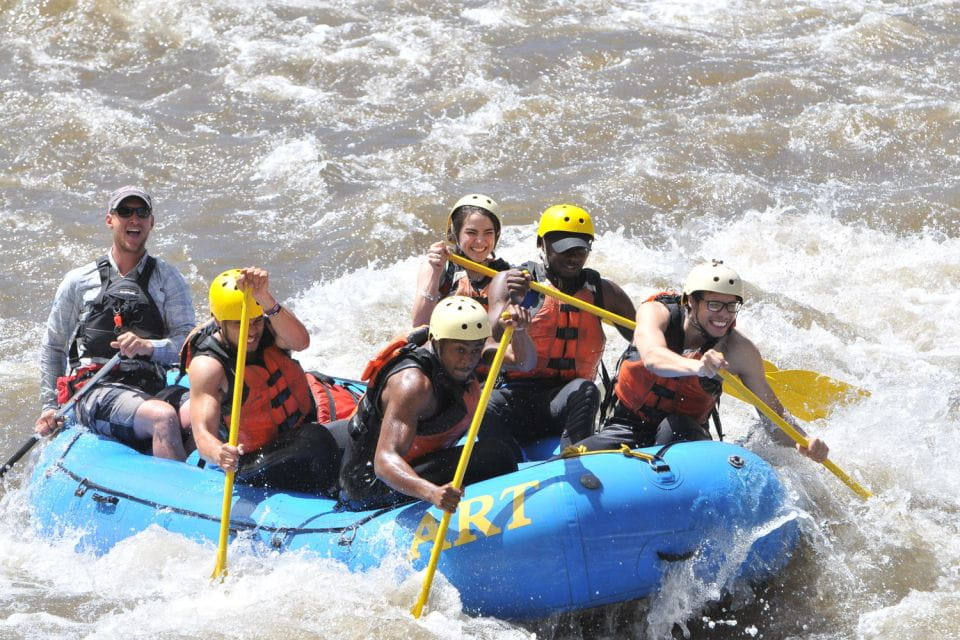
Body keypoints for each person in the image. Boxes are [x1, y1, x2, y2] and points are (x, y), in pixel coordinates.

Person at [577, 260, 829, 462]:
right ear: (691, 301)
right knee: (577, 457)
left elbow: (773, 417)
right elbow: (653, 357)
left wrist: (804, 442)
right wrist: (699, 367)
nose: (724, 315)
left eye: (731, 306)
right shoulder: (656, 313)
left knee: (673, 426)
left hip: (687, 436)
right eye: (715, 304)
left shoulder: (739, 350)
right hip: (628, 425)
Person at [35, 186, 195, 460]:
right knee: (163, 417)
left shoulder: (169, 279)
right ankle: (169, 483)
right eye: (125, 212)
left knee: (206, 410)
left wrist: (149, 347)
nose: (134, 219)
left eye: (141, 212)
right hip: (95, 389)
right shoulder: (79, 281)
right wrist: (50, 407)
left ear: (151, 222)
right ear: (110, 219)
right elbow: (54, 346)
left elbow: (188, 346)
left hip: (150, 385)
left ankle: (172, 461)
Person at [337, 296, 527, 512]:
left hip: (416, 464)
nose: (469, 360)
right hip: (370, 487)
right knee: (495, 455)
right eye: (460, 350)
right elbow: (384, 461)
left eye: (475, 350)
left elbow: (524, 363)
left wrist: (520, 331)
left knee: (499, 452)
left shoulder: (461, 350)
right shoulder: (412, 384)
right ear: (437, 343)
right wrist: (432, 493)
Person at [479, 204, 637, 461]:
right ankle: (502, 465)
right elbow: (490, 338)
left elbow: (645, 339)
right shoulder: (511, 281)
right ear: (541, 243)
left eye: (580, 249)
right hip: (517, 397)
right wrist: (514, 301)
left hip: (565, 402)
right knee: (485, 402)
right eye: (564, 249)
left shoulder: (603, 292)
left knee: (586, 389)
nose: (573, 257)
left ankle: (575, 461)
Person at [182, 268, 341, 494]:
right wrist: (219, 453)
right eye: (239, 324)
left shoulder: (270, 331)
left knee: (357, 429)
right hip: (252, 461)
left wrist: (264, 297)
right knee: (313, 439)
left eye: (256, 321)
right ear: (218, 321)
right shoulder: (209, 366)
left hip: (300, 436)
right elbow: (202, 434)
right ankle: (336, 496)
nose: (251, 332)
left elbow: (301, 342)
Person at [411, 194, 511, 326]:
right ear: (456, 233)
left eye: (488, 232)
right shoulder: (437, 263)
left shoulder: (505, 273)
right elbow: (419, 324)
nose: (480, 241)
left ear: (497, 234)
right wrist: (435, 273)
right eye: (471, 232)